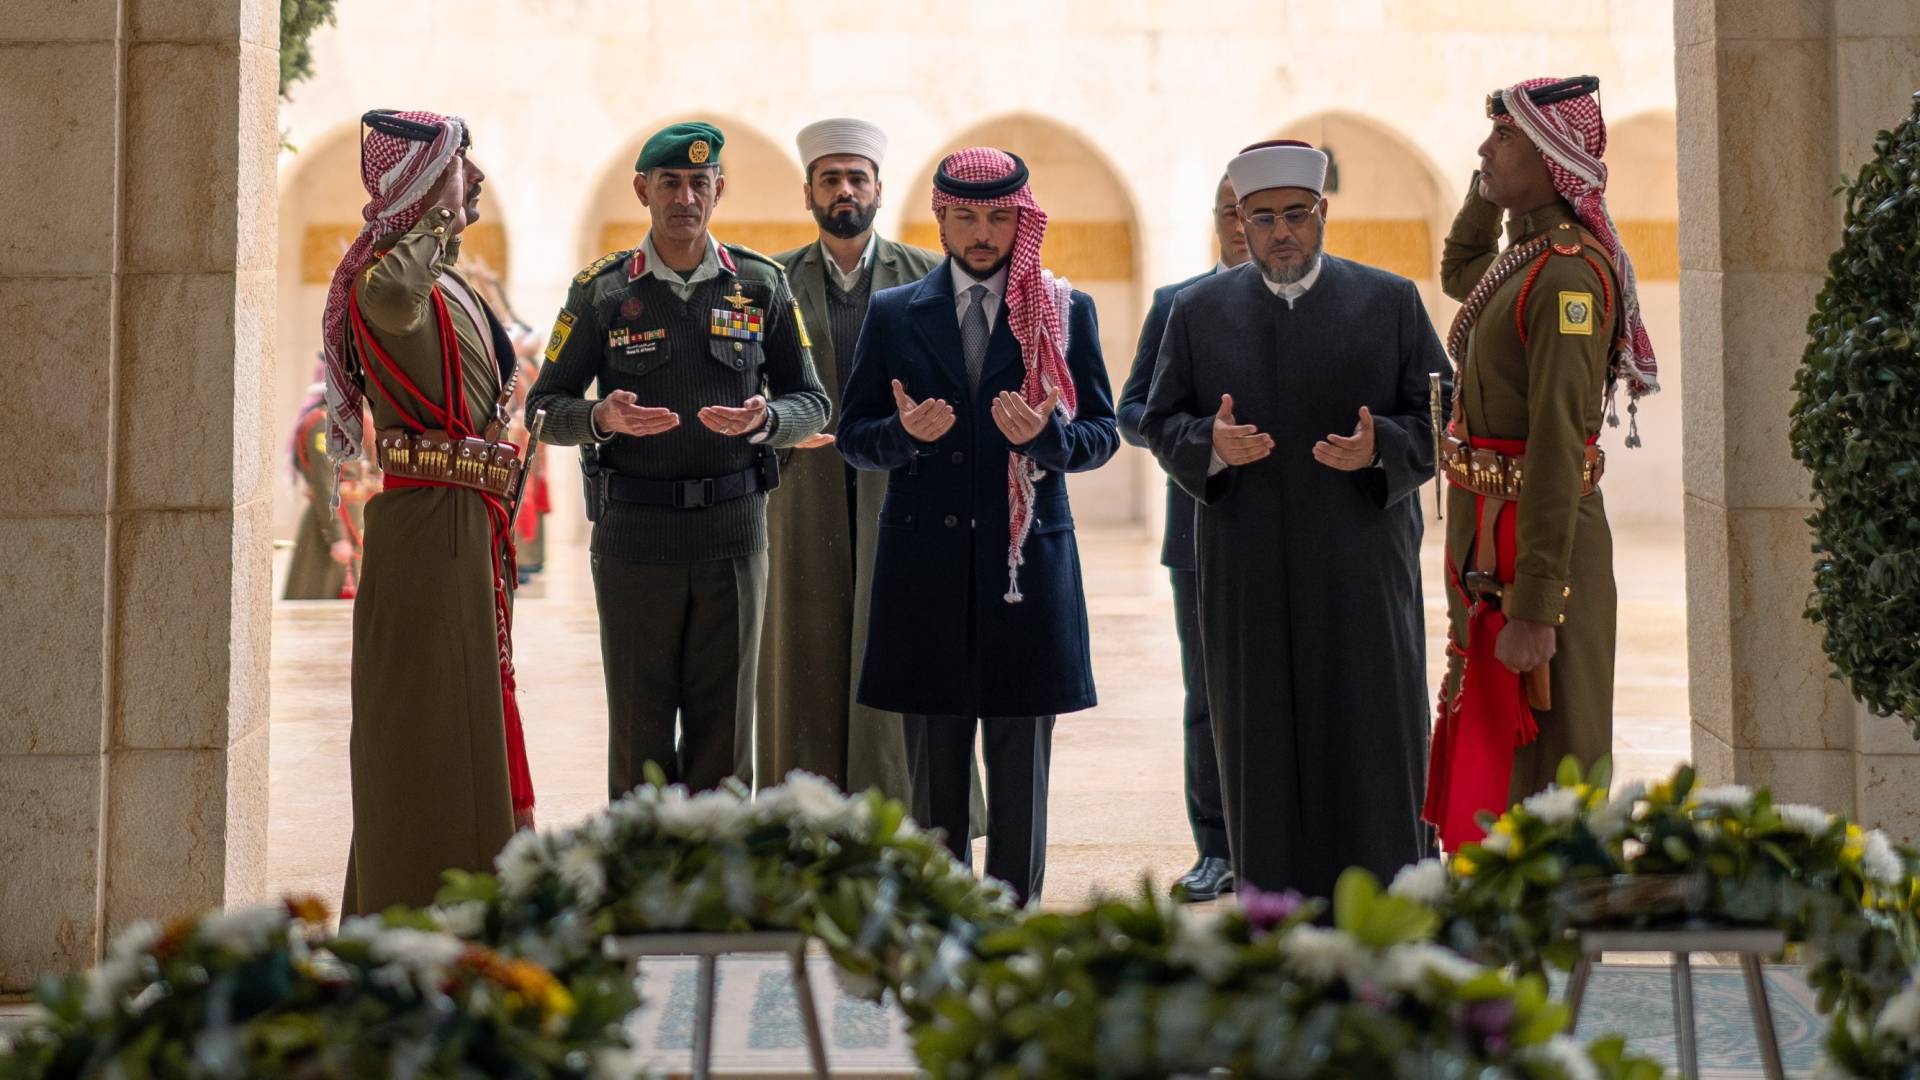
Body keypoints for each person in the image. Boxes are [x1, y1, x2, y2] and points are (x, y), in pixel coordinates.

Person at [1140, 140, 1445, 900]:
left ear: (1323, 215)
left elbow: (1442, 420)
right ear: (1240, 220)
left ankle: (1387, 902)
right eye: (1264, 217)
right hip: (1249, 569)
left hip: (1360, 567)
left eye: (1297, 216)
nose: (1282, 233)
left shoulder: (1391, 301)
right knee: (1258, 739)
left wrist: (1385, 448)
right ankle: (1273, 912)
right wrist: (1210, 443)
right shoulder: (1198, 311)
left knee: (1371, 734)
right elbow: (1159, 417)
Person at [839, 147, 1118, 904]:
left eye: (999, 217)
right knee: (934, 767)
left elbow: (1102, 434)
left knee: (1021, 761)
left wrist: (1045, 438)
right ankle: (942, 915)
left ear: (1021, 219)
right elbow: (854, 434)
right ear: (941, 217)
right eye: (966, 216)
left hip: (1023, 568)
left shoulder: (1065, 309)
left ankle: (1014, 917)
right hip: (924, 568)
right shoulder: (895, 313)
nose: (983, 233)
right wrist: (906, 437)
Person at [529, 121, 830, 798]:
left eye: (700, 182)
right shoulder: (602, 292)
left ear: (719, 189)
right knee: (639, 738)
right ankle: (638, 895)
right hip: (635, 539)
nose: (686, 197)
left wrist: (770, 419)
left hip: (733, 536)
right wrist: (598, 418)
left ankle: (719, 893)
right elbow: (542, 408)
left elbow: (813, 401)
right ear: (644, 190)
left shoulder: (760, 285)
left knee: (725, 742)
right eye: (670, 183)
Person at [1423, 76, 1657, 851]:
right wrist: (1490, 184)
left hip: (1540, 547)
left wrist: (1535, 606)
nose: (1483, 150)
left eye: (1504, 138)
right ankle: (1497, 910)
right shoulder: (1521, 257)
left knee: (1557, 752)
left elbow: (1559, 445)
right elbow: (1460, 269)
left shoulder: (1565, 277)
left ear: (1554, 155)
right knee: (1494, 736)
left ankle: (1561, 930)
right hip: (1491, 534)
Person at [323, 110, 534, 914]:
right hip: (425, 533)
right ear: (421, 181)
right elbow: (396, 303)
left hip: (468, 527)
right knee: (423, 733)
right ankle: (411, 911)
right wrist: (427, 213)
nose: (474, 180)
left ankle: (475, 910)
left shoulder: (449, 277)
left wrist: (437, 215)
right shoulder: (387, 274)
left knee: (473, 727)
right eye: (458, 166)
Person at [760, 118, 940, 800]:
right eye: (829, 178)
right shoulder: (768, 280)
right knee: (800, 648)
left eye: (855, 178)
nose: (844, 190)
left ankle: (903, 807)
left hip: (901, 491)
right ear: (807, 193)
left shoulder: (927, 276)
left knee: (895, 644)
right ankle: (802, 809)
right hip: (799, 493)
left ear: (879, 189)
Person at [1115, 172, 1249, 902]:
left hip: (1295, 536)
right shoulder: (1177, 306)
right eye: (1228, 210)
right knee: (1211, 696)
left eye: (1251, 212)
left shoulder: (1318, 303)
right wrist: (1205, 439)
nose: (1239, 224)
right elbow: (1130, 413)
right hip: (1200, 532)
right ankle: (1218, 848)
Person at [284, 385, 360, 600]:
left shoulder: (352, 423)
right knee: (317, 606)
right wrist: (337, 536)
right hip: (332, 525)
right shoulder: (324, 426)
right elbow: (326, 483)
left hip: (353, 523)